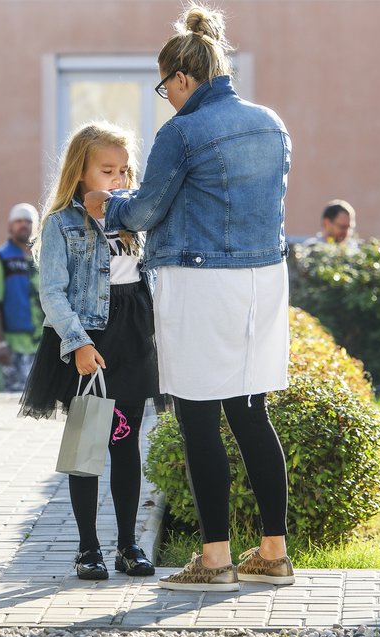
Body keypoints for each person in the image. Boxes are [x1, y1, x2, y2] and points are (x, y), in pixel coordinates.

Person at [84, 4, 295, 591]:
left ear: (181, 78)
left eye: (164, 88)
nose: (167, 99)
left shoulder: (183, 130)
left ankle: (215, 558)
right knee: (251, 413)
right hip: (265, 279)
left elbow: (148, 208)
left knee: (199, 416)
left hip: (202, 282)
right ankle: (274, 554)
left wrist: (108, 208)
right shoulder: (270, 121)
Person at [19, 123, 159, 582]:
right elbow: (53, 293)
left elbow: (150, 277)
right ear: (81, 172)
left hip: (134, 336)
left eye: (124, 170)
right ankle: (87, 549)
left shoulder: (136, 220)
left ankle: (127, 545)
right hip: (91, 337)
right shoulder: (61, 223)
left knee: (126, 444)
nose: (118, 179)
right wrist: (77, 342)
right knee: (87, 444)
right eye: (107, 170)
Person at [0, 203, 44, 392]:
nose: (24, 225)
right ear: (10, 226)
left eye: (28, 221)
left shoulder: (45, 258)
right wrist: (0, 343)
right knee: (14, 401)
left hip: (45, 343)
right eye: (18, 221)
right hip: (14, 344)